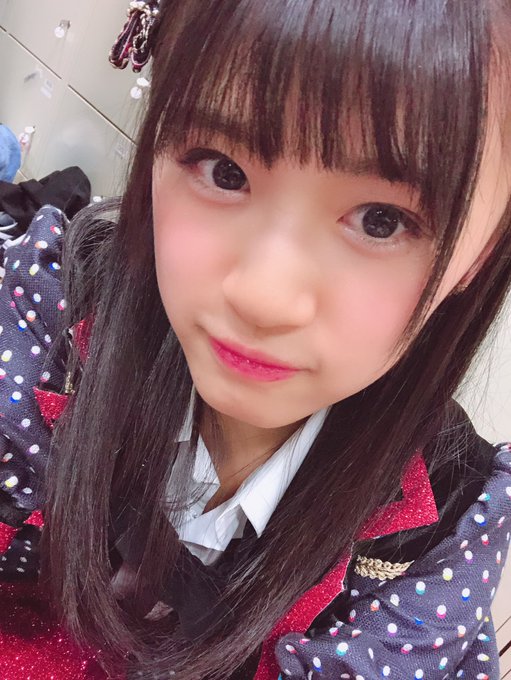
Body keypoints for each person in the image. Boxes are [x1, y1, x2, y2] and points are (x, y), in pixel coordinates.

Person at [0, 1, 511, 678]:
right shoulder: (49, 319)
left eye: (382, 220)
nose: (263, 298)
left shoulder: (439, 532)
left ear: (480, 254)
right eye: (224, 170)